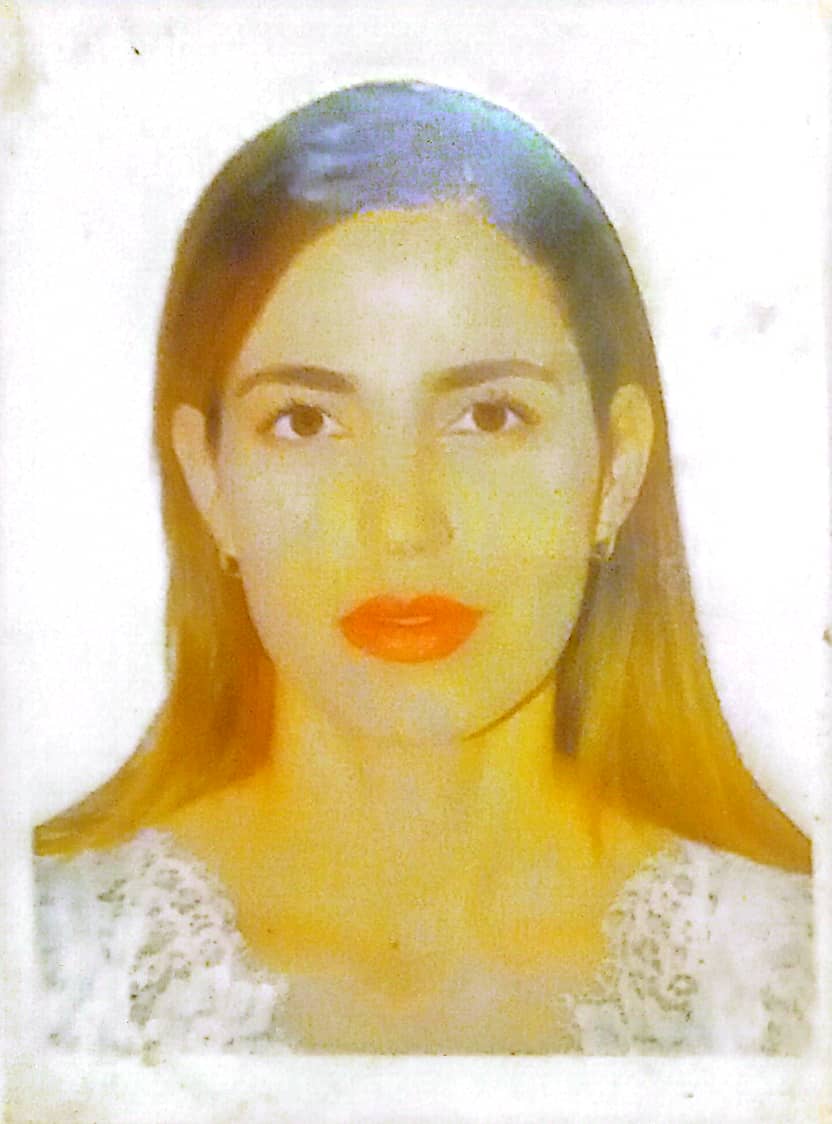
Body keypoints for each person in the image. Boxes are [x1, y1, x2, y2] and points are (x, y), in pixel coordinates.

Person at [33, 81, 813, 1056]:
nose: (401, 525)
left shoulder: (787, 984)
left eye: (488, 416)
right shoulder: (49, 968)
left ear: (615, 470)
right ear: (209, 480)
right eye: (305, 421)